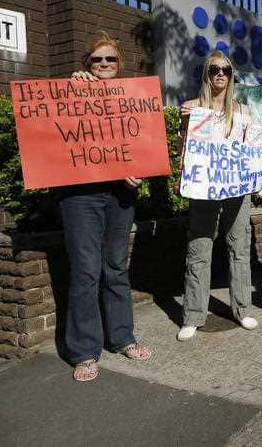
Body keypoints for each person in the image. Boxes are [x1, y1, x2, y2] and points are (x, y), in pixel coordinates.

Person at [62, 32, 152, 382]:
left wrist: (139, 171)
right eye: (97, 60)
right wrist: (72, 86)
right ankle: (85, 351)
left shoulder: (132, 99)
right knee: (86, 270)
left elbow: (144, 145)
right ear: (87, 64)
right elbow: (52, 131)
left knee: (116, 266)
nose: (103, 65)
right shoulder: (72, 91)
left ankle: (122, 337)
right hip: (80, 196)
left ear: (119, 65)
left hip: (120, 196)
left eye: (109, 60)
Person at [176, 50, 258, 341]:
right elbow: (185, 149)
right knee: (199, 248)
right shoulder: (191, 108)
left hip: (237, 188)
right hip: (203, 188)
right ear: (206, 75)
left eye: (225, 70)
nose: (220, 74)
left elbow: (253, 150)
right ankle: (194, 315)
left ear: (231, 75)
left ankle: (243, 308)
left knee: (239, 246)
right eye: (214, 70)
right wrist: (185, 124)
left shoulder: (243, 111)